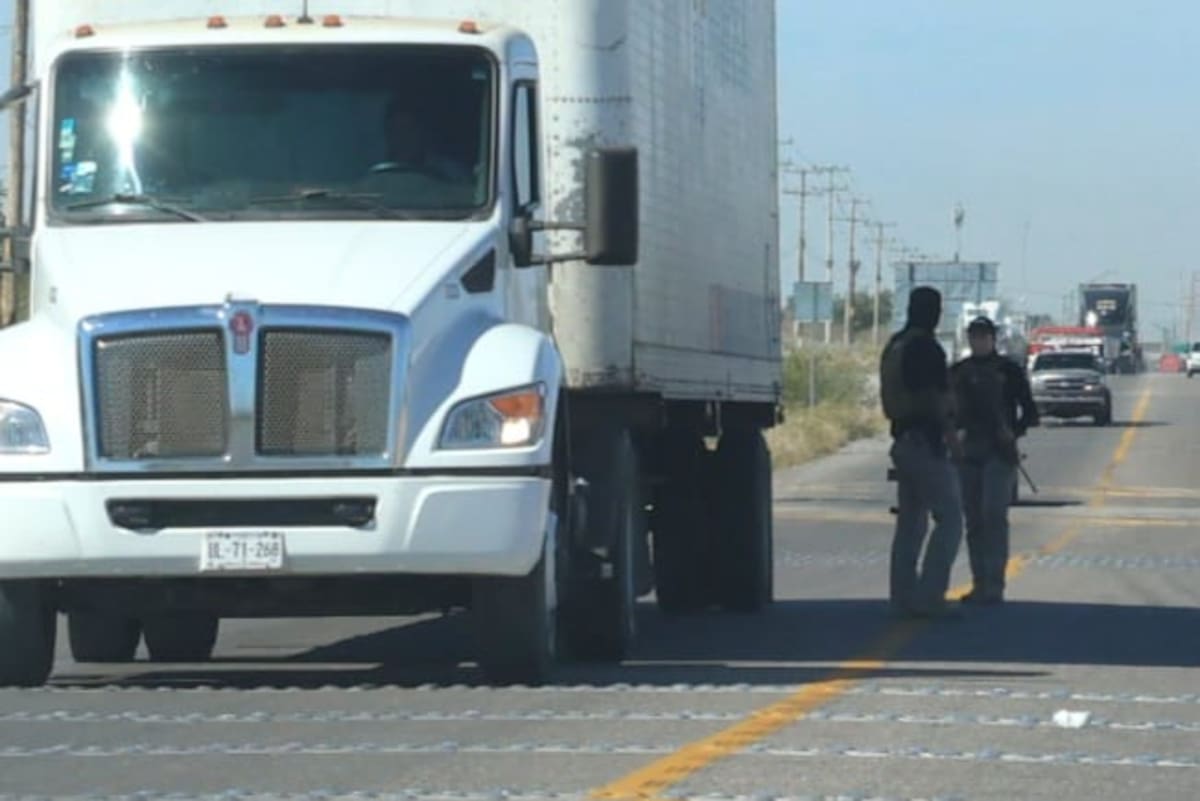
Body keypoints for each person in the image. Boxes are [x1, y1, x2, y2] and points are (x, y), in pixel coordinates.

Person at [880, 287, 965, 619]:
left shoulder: (896, 344)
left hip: (902, 439)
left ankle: (903, 597)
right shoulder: (925, 348)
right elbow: (935, 399)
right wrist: (953, 440)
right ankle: (930, 596)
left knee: (911, 523)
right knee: (950, 519)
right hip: (924, 441)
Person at [950, 316, 1039, 605]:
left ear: (993, 338)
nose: (979, 341)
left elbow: (1030, 412)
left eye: (984, 336)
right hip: (967, 454)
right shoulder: (957, 373)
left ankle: (994, 585)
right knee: (974, 520)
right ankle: (980, 583)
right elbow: (946, 412)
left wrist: (1012, 434)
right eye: (974, 336)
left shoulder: (1008, 371)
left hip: (999, 453)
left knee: (993, 516)